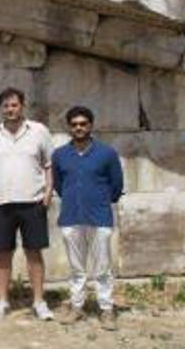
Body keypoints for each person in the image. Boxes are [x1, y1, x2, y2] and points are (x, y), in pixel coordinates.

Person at [0, 87, 55, 321]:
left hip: (33, 201)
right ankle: (1, 301)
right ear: (1, 108)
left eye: (14, 105)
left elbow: (49, 164)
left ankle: (39, 302)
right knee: (3, 254)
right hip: (2, 203)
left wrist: (49, 192)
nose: (10, 109)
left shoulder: (39, 131)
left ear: (22, 106)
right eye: (6, 106)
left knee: (34, 253)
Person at [53, 106, 124, 331]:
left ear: (91, 126)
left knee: (102, 267)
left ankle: (106, 309)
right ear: (69, 127)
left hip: (99, 217)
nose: (79, 128)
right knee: (76, 268)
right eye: (74, 124)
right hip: (71, 216)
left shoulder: (107, 153)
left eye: (83, 124)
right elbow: (58, 185)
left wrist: (99, 201)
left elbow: (116, 185)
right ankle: (77, 306)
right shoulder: (60, 155)